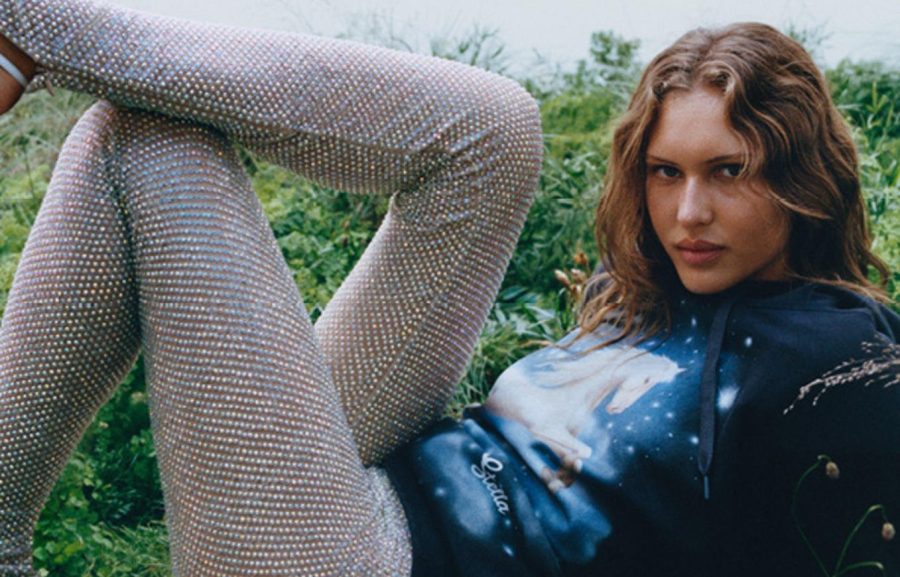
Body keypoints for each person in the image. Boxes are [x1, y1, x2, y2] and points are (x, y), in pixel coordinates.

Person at [0, 2, 896, 576]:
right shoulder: (646, 293)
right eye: (666, 172)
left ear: (802, 175)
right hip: (376, 484)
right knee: (496, 133)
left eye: (729, 170)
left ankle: (26, 21)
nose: (688, 212)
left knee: (145, 146)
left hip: (360, 560)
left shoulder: (844, 354)